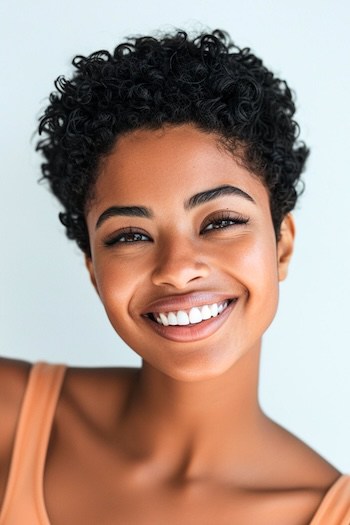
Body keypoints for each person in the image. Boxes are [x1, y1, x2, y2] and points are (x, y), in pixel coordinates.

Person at [0, 29, 349, 525]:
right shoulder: (10, 419)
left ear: (282, 245)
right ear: (94, 271)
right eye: (129, 236)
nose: (178, 269)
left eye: (221, 222)